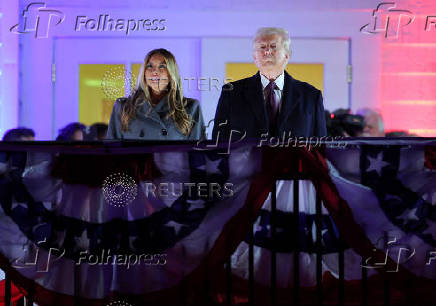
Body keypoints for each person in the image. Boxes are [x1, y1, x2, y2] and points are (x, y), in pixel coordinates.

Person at [212, 27, 327, 140]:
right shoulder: (231, 93)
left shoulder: (311, 96)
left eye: (273, 47)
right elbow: (218, 145)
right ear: (254, 57)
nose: (267, 51)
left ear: (287, 55)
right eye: (262, 47)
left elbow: (321, 149)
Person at [106, 48, 205, 140]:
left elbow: (197, 153)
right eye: (150, 66)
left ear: (171, 74)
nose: (154, 72)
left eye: (162, 66)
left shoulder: (190, 108)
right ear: (144, 73)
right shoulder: (123, 107)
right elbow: (111, 152)